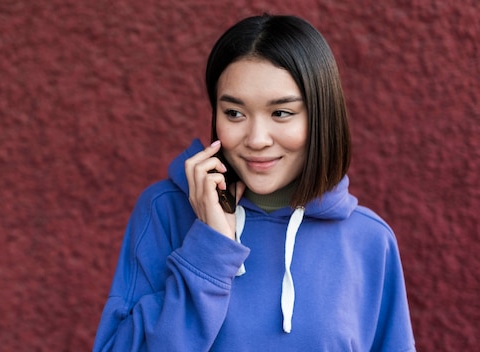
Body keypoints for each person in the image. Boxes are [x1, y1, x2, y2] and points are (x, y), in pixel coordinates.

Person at [93, 14, 415, 351]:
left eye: (281, 113)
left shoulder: (370, 240)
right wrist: (210, 249)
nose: (257, 139)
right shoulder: (166, 211)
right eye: (234, 113)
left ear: (321, 116)